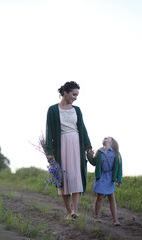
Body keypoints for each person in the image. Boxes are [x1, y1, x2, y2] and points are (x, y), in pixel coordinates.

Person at [45, 81, 93, 220]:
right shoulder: (53, 110)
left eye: (77, 95)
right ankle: (68, 212)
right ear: (65, 93)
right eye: (74, 94)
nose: (75, 97)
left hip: (76, 144)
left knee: (76, 177)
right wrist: (49, 151)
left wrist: (88, 147)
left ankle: (75, 211)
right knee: (64, 179)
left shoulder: (77, 110)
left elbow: (82, 129)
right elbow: (49, 131)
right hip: (61, 146)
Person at [88, 136, 123, 226]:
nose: (105, 138)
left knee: (112, 197)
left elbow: (119, 167)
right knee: (99, 196)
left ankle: (115, 219)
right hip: (101, 176)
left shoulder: (116, 154)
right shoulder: (99, 152)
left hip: (110, 177)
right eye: (104, 137)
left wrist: (119, 179)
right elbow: (94, 163)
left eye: (108, 138)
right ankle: (96, 217)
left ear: (112, 142)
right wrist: (89, 156)